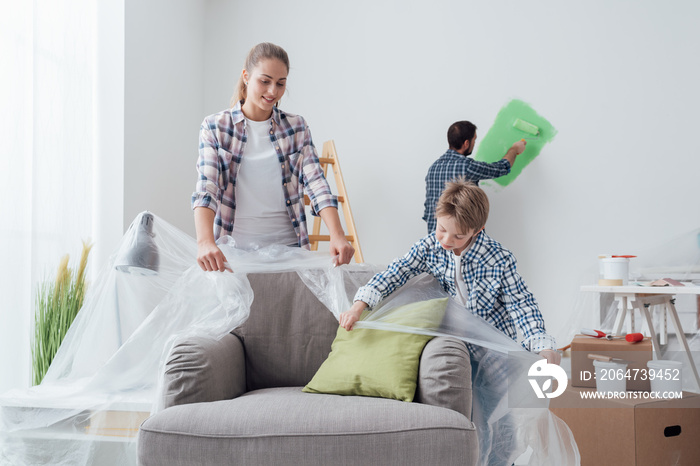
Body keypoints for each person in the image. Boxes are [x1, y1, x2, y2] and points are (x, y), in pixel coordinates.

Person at [340, 178, 560, 365]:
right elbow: (395, 273)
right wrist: (358, 307)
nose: (446, 240)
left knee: (500, 411)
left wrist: (543, 346)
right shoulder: (429, 248)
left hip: (495, 346)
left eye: (458, 236)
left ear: (477, 230)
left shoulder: (498, 258)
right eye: (442, 229)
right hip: (456, 343)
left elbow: (521, 304)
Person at [191, 42, 355, 272]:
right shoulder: (216, 126)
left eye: (280, 83)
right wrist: (204, 242)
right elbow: (207, 187)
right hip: (233, 254)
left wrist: (337, 235)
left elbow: (317, 183)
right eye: (264, 81)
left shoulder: (296, 127)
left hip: (289, 251)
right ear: (246, 76)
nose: (272, 92)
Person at [423, 120, 526, 233]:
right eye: (474, 140)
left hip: (435, 237)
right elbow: (502, 167)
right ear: (466, 143)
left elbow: (428, 209)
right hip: (460, 238)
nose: (474, 143)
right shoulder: (467, 166)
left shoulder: (433, 168)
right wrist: (515, 149)